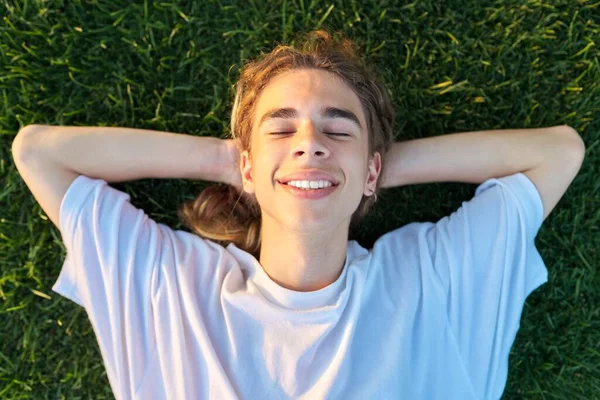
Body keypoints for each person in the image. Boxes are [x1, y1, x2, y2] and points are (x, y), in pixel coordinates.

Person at [11, 29, 585, 399]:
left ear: (373, 171)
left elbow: (557, 152)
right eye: (281, 128)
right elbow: (39, 152)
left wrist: (366, 169)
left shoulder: (434, 282)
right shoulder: (173, 292)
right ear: (247, 169)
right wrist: (232, 161)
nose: (310, 143)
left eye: (337, 128)